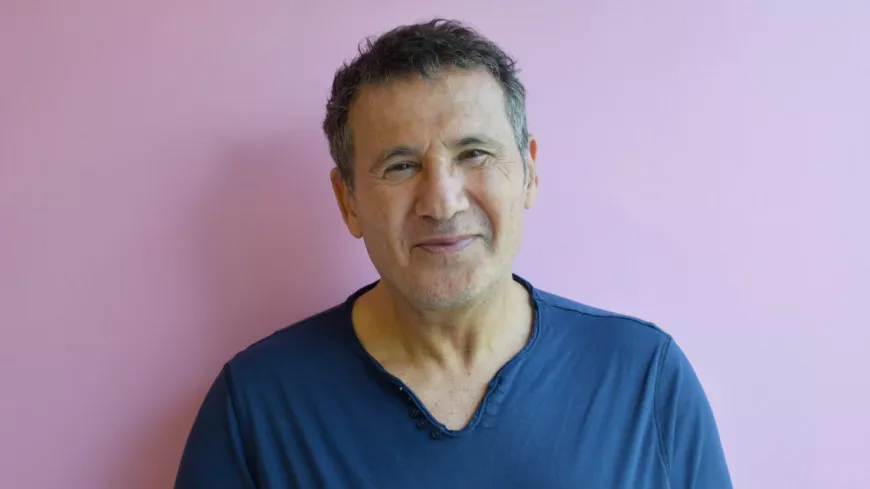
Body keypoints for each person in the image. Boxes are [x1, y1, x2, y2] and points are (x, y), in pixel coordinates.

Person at [174, 18, 732, 489]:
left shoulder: (644, 382)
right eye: (401, 166)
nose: (442, 202)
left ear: (530, 171)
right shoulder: (256, 410)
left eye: (474, 153)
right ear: (348, 200)